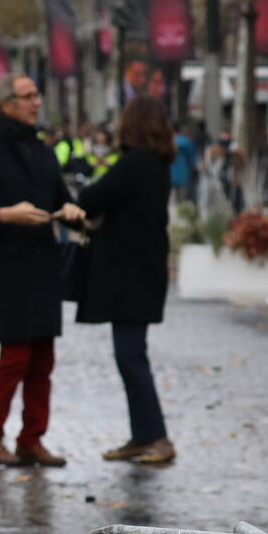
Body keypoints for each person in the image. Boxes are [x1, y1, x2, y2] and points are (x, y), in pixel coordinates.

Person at [0, 74, 83, 466]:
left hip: (43, 267)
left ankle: (31, 439)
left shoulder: (44, 151)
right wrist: (5, 214)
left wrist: (74, 213)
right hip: (5, 271)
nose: (36, 102)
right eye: (28, 96)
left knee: (43, 361)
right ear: (6, 104)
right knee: (15, 359)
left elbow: (62, 200)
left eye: (37, 94)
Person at [77, 94, 176, 466]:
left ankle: (158, 437)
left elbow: (92, 196)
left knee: (131, 355)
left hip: (131, 274)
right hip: (145, 270)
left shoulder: (135, 163)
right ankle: (143, 434)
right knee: (131, 354)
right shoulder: (157, 163)